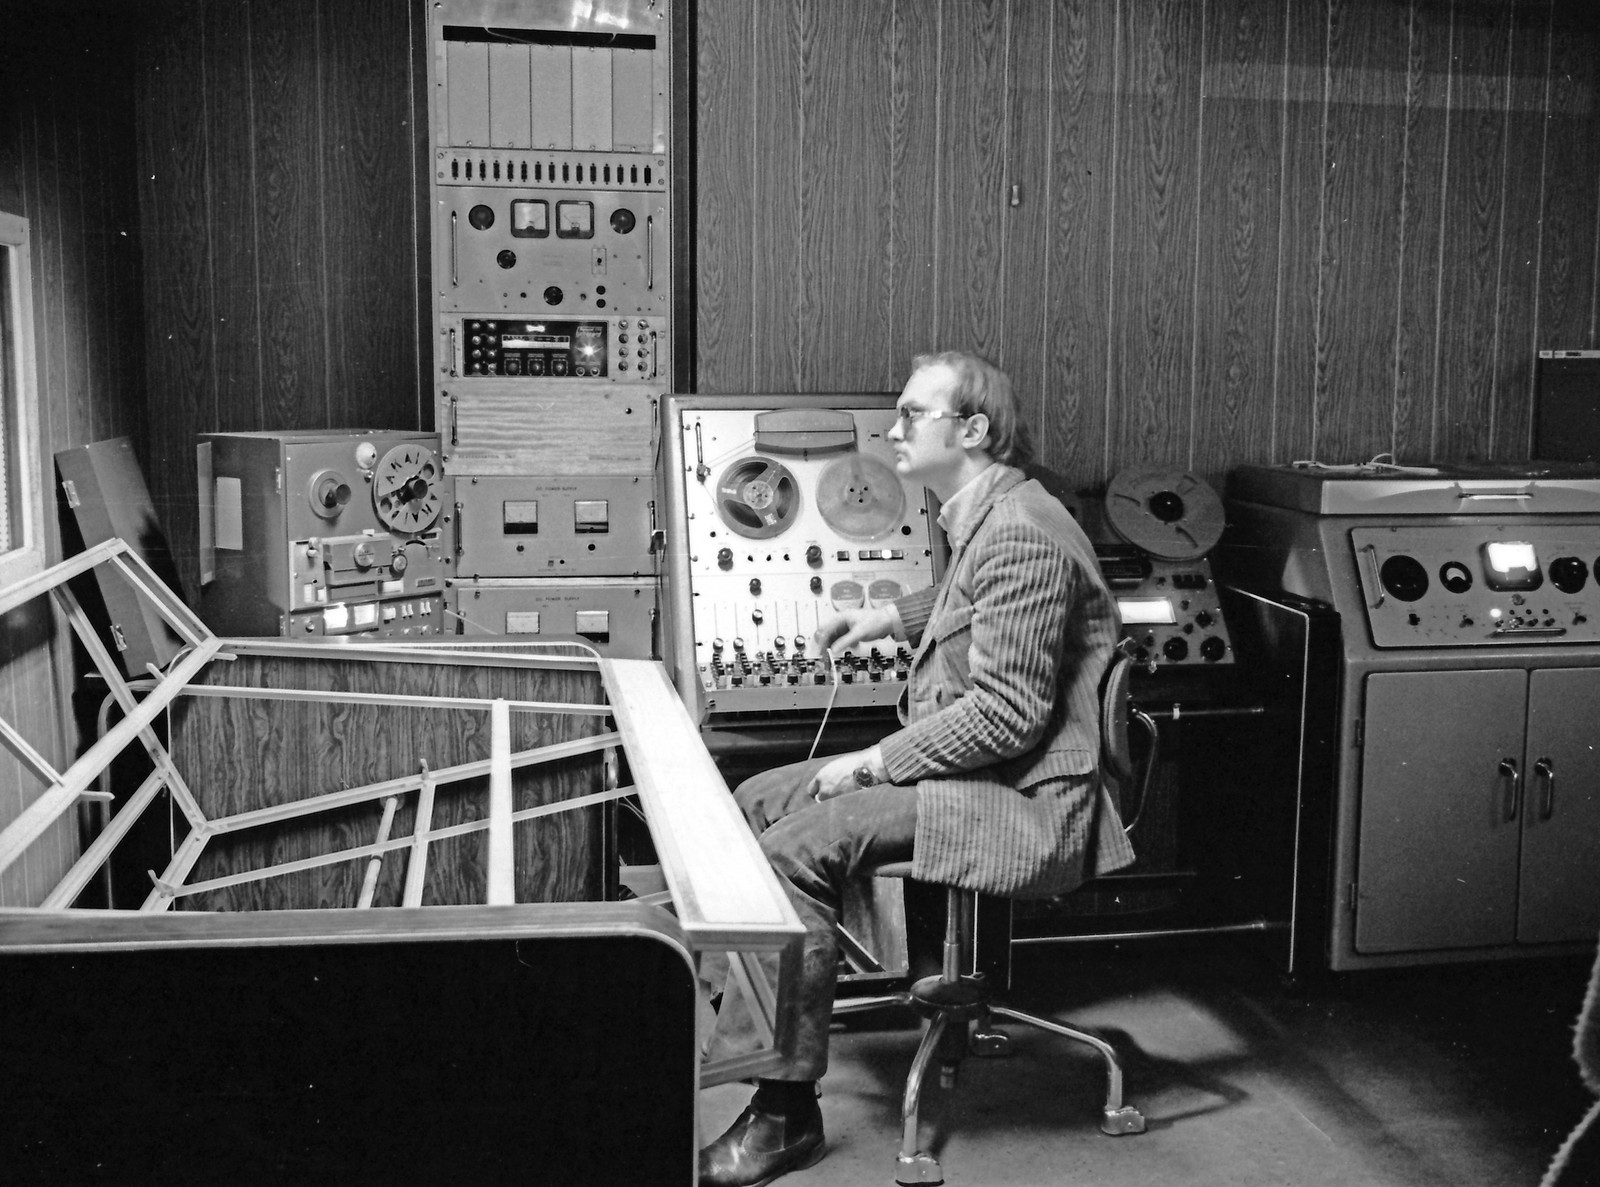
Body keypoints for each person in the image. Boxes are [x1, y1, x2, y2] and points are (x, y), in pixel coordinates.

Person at [698, 351, 1136, 1186]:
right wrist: (885, 619)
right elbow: (977, 601)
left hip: (1029, 797)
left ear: (971, 431)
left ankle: (782, 1112)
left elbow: (1007, 716)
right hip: (985, 775)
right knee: (754, 800)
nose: (893, 430)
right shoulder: (1001, 506)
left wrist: (873, 763)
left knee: (792, 852)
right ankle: (749, 1027)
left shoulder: (1021, 530)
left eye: (911, 415)